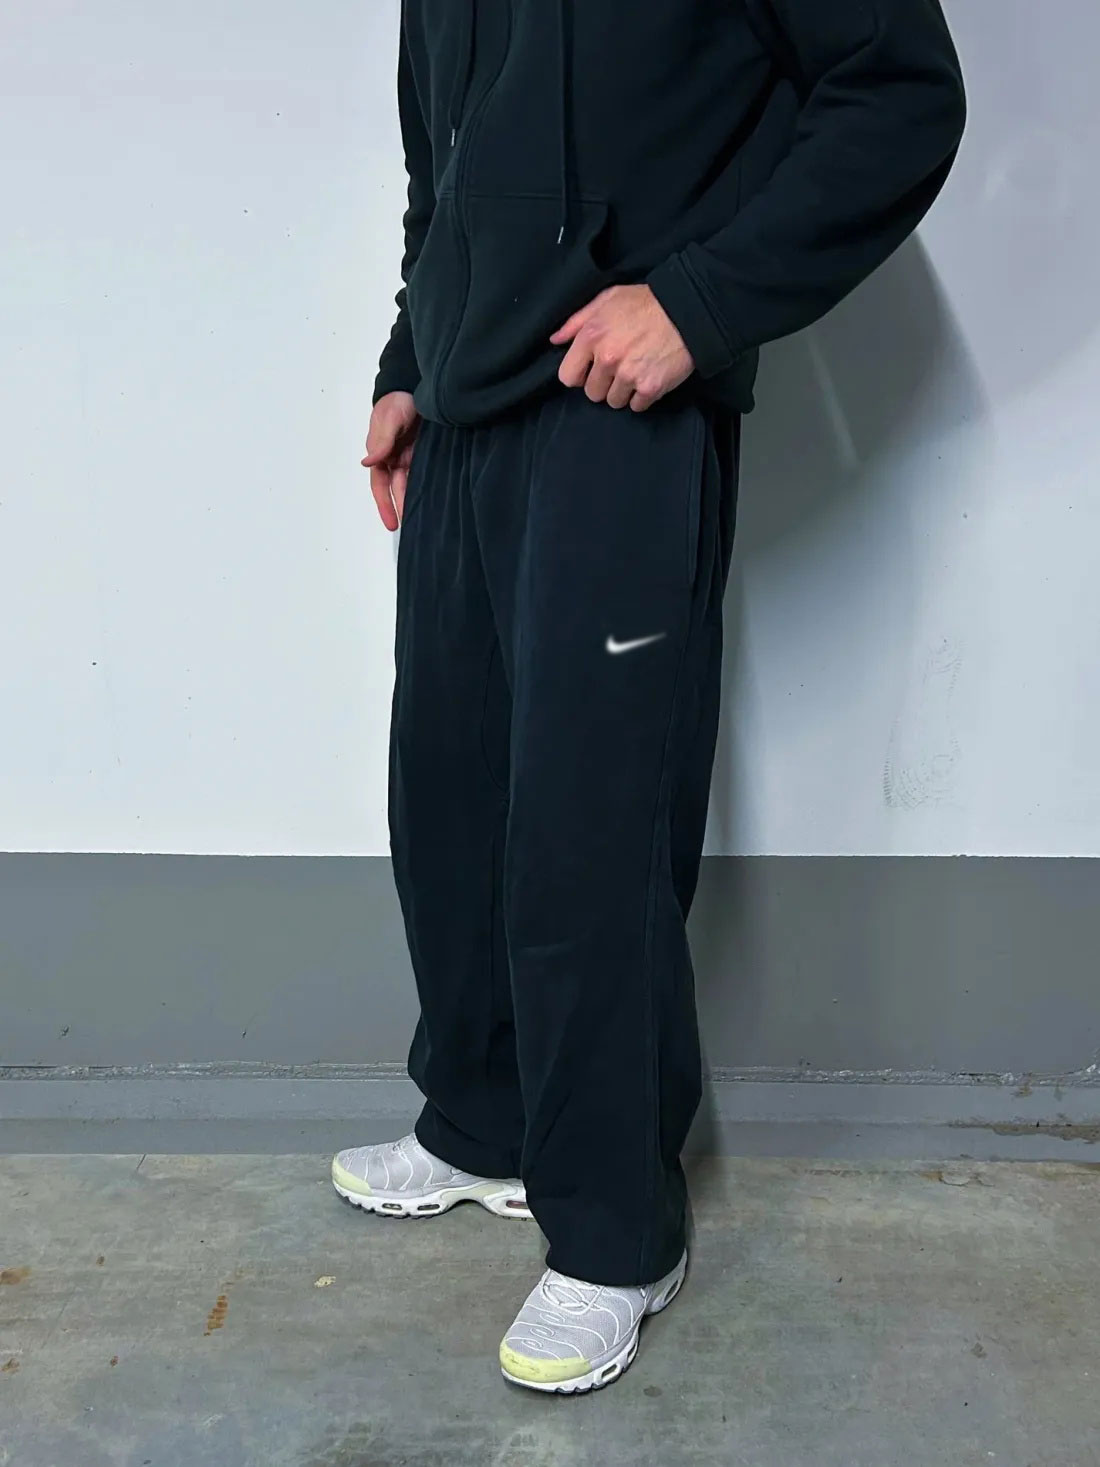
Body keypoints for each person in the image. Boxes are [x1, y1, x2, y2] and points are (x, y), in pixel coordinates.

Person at [333, 0, 966, 1395]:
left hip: (617, 415)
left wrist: (699, 303)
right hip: (467, 408)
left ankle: (620, 1231)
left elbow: (902, 92)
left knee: (589, 832)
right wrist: (408, 364)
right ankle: (487, 1122)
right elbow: (446, 163)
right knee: (448, 800)